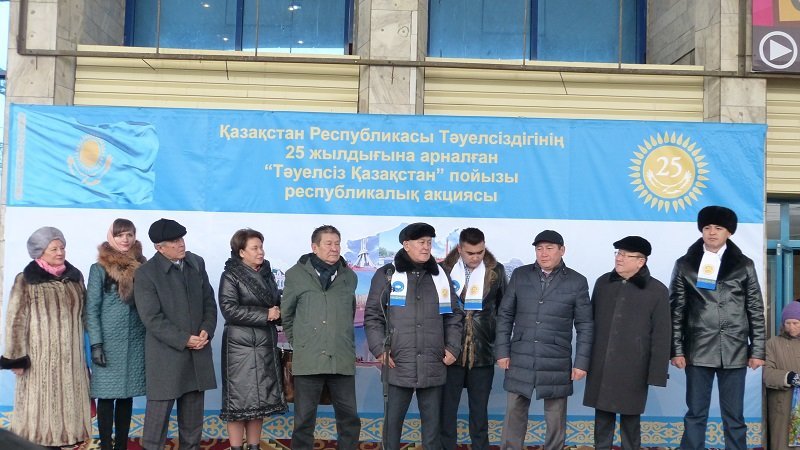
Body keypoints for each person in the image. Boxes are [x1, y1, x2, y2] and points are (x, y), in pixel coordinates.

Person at [670, 205, 766, 450]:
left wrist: (757, 350)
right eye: (707, 227)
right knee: (695, 412)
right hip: (697, 348)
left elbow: (755, 308)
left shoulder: (744, 265)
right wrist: (676, 350)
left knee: (734, 415)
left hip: (734, 349)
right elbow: (676, 310)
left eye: (719, 228)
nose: (712, 232)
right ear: (701, 230)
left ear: (729, 232)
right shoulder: (685, 264)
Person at [364, 222, 465, 450]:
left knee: (432, 430)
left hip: (433, 362)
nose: (426, 247)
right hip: (398, 362)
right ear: (406, 245)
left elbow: (453, 315)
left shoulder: (440, 276)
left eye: (429, 242)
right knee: (392, 427)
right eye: (421, 242)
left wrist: (453, 347)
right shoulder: (387, 275)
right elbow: (373, 316)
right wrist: (379, 349)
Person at [495, 229, 593, 450]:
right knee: (514, 413)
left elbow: (585, 325)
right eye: (539, 248)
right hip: (520, 356)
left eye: (549, 248)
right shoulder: (520, 275)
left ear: (562, 250)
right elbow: (505, 315)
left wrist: (581, 363)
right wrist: (502, 351)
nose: (543, 253)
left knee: (555, 417)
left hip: (555, 358)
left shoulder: (577, 281)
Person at [0, 226, 91, 449]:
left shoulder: (75, 278)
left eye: (62, 247)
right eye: (54, 249)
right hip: (40, 362)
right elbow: (15, 321)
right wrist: (16, 358)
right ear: (39, 252)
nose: (60, 252)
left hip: (72, 361)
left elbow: (86, 315)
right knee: (40, 415)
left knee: (70, 418)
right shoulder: (26, 280)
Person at [134, 218, 218, 450]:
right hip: (166, 358)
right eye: (174, 241)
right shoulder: (146, 273)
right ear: (159, 247)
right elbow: (151, 318)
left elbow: (209, 302)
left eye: (181, 238)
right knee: (155, 430)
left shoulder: (196, 263)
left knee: (192, 431)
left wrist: (207, 330)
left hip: (197, 356)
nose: (181, 244)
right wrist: (184, 339)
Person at [582, 236, 670, 450]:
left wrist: (656, 374)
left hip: (634, 368)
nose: (619, 258)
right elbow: (590, 325)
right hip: (602, 364)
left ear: (641, 261)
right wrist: (584, 363)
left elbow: (662, 335)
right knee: (602, 420)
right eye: (618, 253)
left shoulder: (657, 290)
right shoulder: (603, 283)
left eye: (625, 255)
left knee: (630, 422)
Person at [280, 225, 361, 450]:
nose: (334, 248)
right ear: (314, 247)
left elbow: (350, 313)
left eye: (337, 243)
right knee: (304, 421)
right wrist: (301, 344)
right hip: (308, 360)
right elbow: (287, 315)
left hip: (341, 359)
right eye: (329, 243)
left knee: (349, 419)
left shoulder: (349, 276)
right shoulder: (295, 275)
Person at [219, 228, 287, 450]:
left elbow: (276, 304)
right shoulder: (230, 275)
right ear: (241, 252)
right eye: (255, 248)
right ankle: (236, 447)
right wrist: (265, 314)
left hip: (265, 344)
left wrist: (280, 313)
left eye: (261, 247)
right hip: (239, 347)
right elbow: (229, 310)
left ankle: (255, 446)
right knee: (238, 404)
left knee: (259, 402)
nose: (260, 252)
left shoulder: (266, 274)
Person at [439, 227, 507, 450]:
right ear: (460, 249)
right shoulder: (443, 270)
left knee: (479, 412)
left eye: (480, 252)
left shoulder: (496, 271)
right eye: (470, 253)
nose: (476, 257)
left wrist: (499, 345)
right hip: (450, 351)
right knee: (446, 411)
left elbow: (505, 311)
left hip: (483, 350)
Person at [85, 218, 148, 450]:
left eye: (129, 234)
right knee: (106, 396)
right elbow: (91, 309)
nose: (125, 239)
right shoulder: (99, 268)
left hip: (135, 340)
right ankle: (106, 446)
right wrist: (96, 344)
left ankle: (121, 445)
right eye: (120, 235)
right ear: (112, 237)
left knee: (126, 396)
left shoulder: (143, 265)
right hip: (108, 343)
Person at [763, 300, 800, 450]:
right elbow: (766, 372)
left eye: (796, 323)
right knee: (781, 444)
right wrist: (788, 377)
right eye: (788, 323)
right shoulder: (773, 344)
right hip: (782, 405)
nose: (791, 327)